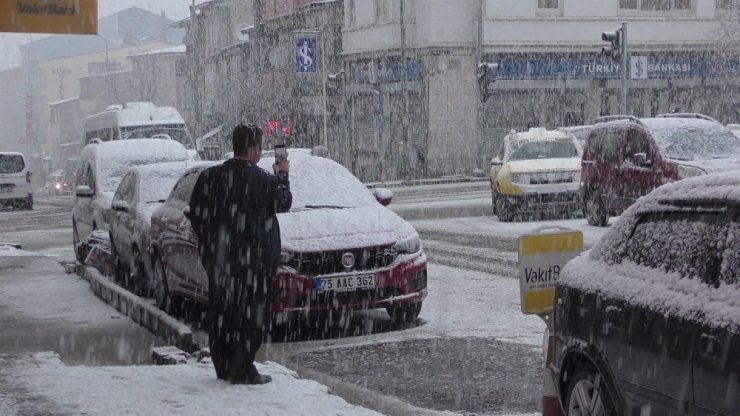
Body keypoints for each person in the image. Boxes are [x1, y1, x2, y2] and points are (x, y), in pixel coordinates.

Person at [188, 123, 292, 385]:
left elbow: (196, 213)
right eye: (260, 147)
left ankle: (223, 365)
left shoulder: (209, 177)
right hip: (253, 265)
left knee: (221, 312)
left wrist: (211, 244)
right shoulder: (263, 181)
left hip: (220, 262)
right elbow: (284, 201)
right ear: (256, 150)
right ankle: (243, 368)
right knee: (250, 317)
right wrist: (282, 175)